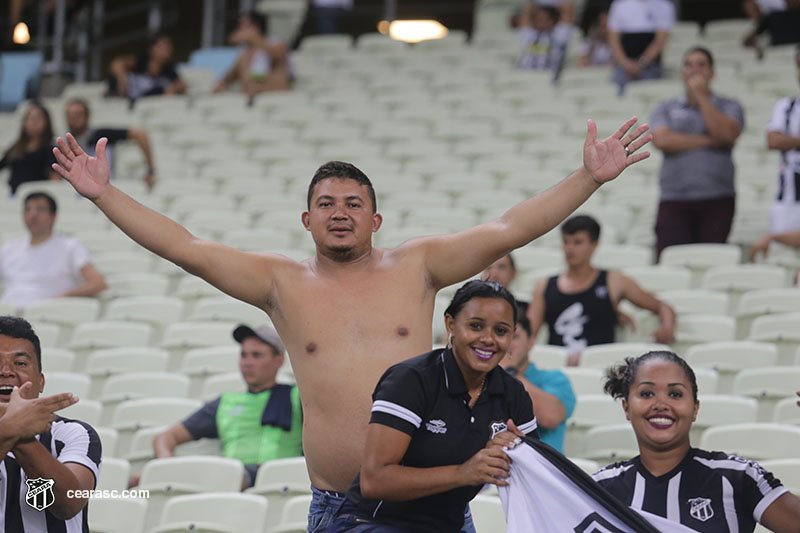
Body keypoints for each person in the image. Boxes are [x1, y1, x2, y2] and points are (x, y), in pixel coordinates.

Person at [51, 116, 652, 531]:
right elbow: (187, 248)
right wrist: (105, 196)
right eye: (327, 205)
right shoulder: (280, 283)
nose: (340, 214)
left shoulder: (418, 266)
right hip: (342, 508)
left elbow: (508, 230)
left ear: (376, 219)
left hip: (439, 503)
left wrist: (588, 179)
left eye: (353, 204)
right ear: (307, 219)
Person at [329, 280, 539, 532]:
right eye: (475, 326)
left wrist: (516, 454)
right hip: (373, 523)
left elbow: (537, 477)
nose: (488, 339)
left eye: (501, 331)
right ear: (450, 324)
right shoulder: (411, 380)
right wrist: (463, 473)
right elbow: (374, 481)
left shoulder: (513, 393)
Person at [593, 350, 800, 531]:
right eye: (647, 394)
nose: (661, 404)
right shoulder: (599, 489)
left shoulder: (737, 476)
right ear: (626, 407)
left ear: (695, 409)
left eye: (675, 394)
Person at [152, 324, 302, 489]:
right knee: (143, 481)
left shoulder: (297, 396)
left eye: (256, 355)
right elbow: (166, 437)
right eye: (243, 355)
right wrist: (164, 465)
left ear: (279, 360)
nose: (247, 363)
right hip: (230, 478)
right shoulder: (226, 402)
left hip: (280, 480)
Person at [528, 215, 675, 365]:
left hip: (602, 367)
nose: (569, 249)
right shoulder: (545, 284)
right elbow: (529, 333)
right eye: (566, 242)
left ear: (594, 245)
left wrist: (667, 327)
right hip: (558, 369)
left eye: (577, 242)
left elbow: (662, 306)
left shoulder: (614, 281)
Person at [0, 315, 101, 532]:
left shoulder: (73, 433)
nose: (6, 371)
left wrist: (15, 430)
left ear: (41, 382)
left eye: (20, 363)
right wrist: (12, 428)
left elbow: (69, 502)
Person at [651, 47, 744, 257]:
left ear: (712, 72)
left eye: (701, 64)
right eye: (688, 64)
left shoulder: (730, 105)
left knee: (712, 259)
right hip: (674, 197)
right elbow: (662, 140)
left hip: (718, 197)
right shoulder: (665, 107)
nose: (694, 69)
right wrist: (710, 140)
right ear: (682, 72)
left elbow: (726, 135)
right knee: (671, 259)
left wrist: (702, 97)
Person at [0, 192, 107, 312]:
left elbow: (98, 283)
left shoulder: (70, 247)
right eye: (27, 209)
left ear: (53, 216)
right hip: (6, 315)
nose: (32, 215)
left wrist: (61, 299)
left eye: (40, 209)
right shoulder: (8, 248)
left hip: (47, 314)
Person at [499, 314, 575, 453]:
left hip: (543, 463)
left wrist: (508, 371)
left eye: (514, 337)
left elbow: (550, 417)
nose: (507, 344)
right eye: (501, 334)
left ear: (531, 342)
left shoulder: (555, 379)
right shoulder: (480, 382)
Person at [65, 98, 156, 188]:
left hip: (103, 187)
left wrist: (150, 170)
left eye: (77, 115)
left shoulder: (101, 135)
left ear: (87, 116)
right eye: (69, 116)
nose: (73, 120)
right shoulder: (61, 143)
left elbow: (140, 134)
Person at [212, 11, 291, 98]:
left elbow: (276, 54)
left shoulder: (276, 44)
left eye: (245, 26)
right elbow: (228, 77)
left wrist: (252, 37)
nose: (240, 29)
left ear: (257, 27)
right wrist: (221, 84)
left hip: (275, 99)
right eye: (239, 26)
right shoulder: (244, 53)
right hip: (250, 101)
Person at [764, 48, 800, 236]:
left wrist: (791, 140)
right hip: (788, 200)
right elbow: (773, 140)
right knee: (780, 249)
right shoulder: (786, 106)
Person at [607, 0, 674, 93]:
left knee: (649, 91)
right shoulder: (619, 5)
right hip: (624, 67)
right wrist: (626, 64)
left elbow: (660, 41)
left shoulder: (664, 6)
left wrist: (641, 63)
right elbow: (614, 41)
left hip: (651, 66)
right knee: (613, 90)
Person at [107, 32, 186, 103]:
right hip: (120, 101)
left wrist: (173, 89)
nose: (168, 50)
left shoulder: (169, 71)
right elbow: (117, 64)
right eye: (164, 46)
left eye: (169, 46)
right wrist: (122, 79)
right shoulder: (139, 62)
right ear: (151, 49)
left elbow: (180, 86)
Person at [0, 102, 59, 196]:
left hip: (36, 195)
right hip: (13, 195)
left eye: (37, 119)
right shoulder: (16, 147)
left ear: (46, 122)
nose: (33, 123)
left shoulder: (51, 149)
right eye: (30, 119)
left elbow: (55, 177)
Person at [515, 3, 572, 82]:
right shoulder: (528, 35)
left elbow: (568, 12)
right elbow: (527, 11)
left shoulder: (560, 34)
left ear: (551, 21)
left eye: (544, 18)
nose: (540, 21)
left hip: (548, 76)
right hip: (525, 75)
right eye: (538, 18)